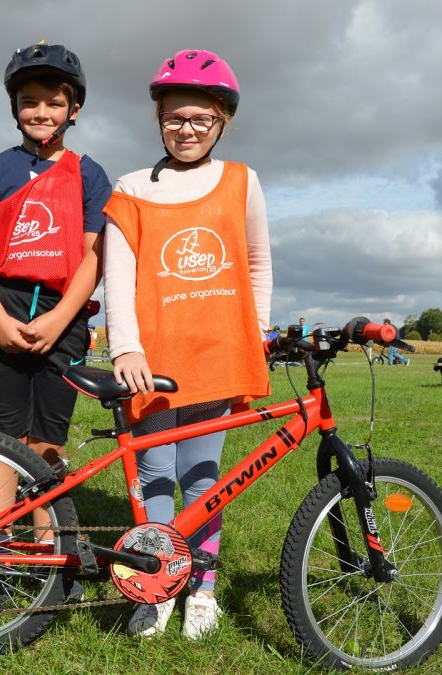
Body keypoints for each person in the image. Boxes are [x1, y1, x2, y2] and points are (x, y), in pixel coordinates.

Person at [104, 49, 272, 640]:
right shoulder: (130, 188)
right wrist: (126, 348)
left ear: (222, 121)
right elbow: (117, 275)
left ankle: (201, 588)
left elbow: (257, 263)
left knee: (204, 479)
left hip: (216, 355)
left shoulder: (242, 181)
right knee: (154, 475)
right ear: (159, 119)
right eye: (174, 117)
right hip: (153, 359)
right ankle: (157, 588)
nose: (187, 129)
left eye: (201, 118)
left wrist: (256, 335)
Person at [0, 42, 111, 568]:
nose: (41, 112)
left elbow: (95, 254)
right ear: (14, 107)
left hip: (62, 314)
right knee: (3, 434)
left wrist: (60, 317)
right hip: (0, 307)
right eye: (29, 102)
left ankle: (47, 545)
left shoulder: (89, 173)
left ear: (74, 109)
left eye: (54, 102)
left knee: (49, 436)